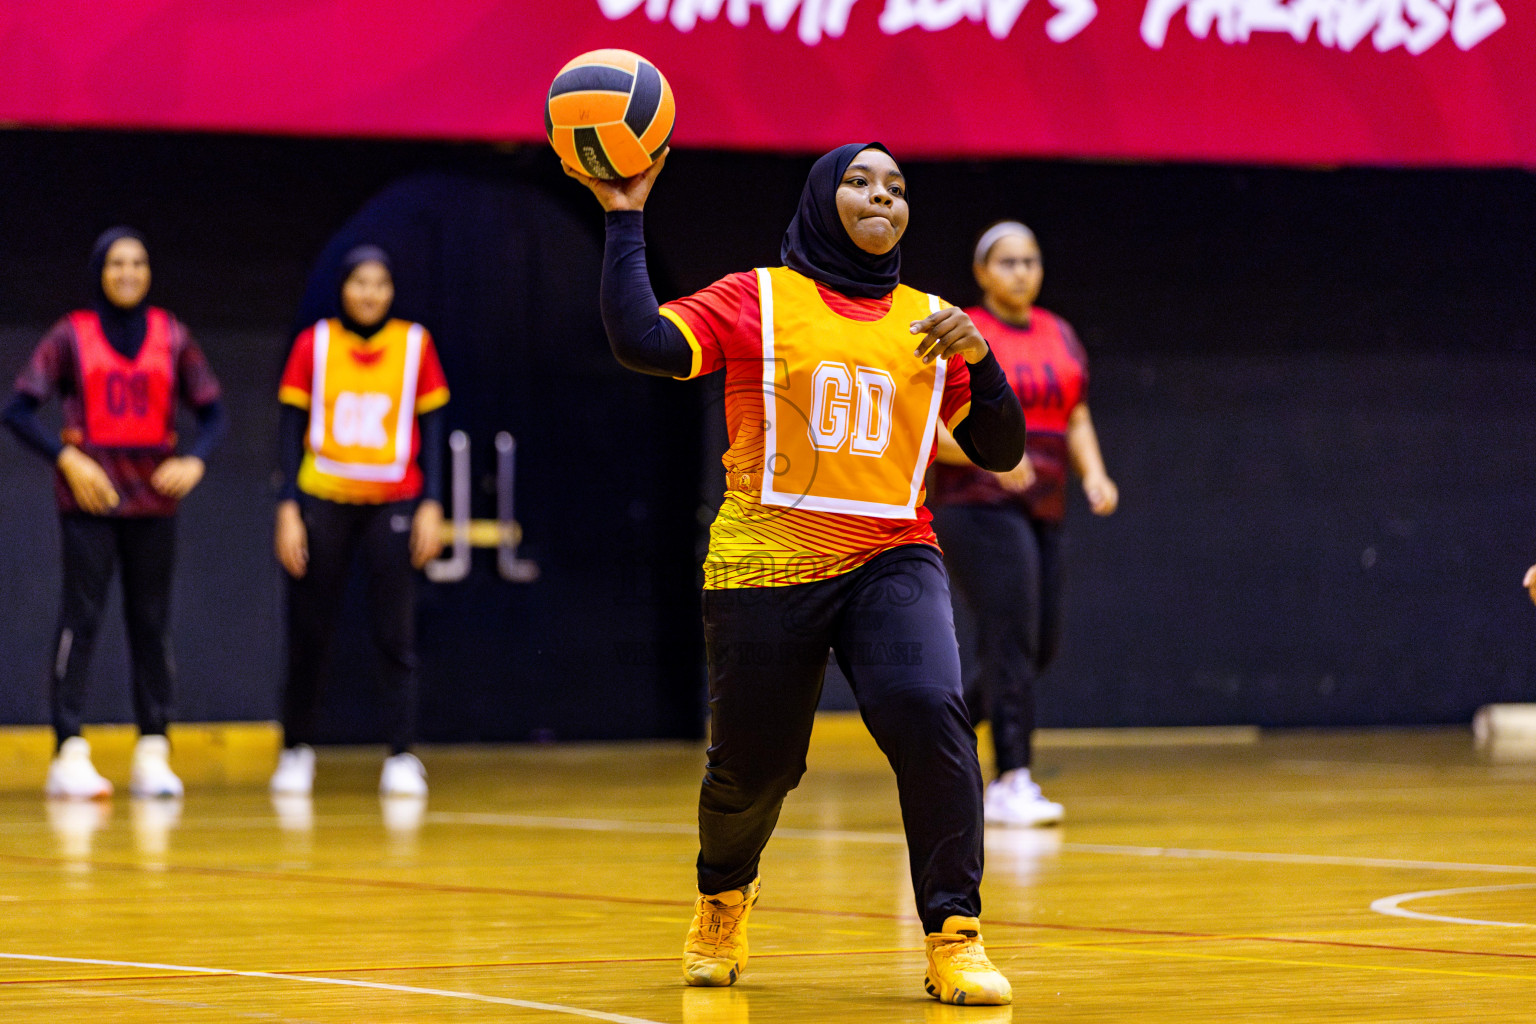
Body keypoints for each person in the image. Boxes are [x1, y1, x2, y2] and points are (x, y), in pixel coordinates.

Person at [566, 143, 1025, 1005]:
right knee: (755, 769)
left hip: (892, 553)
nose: (880, 195)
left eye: (895, 186)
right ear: (821, 199)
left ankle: (954, 934)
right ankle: (722, 899)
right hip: (767, 559)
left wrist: (986, 363)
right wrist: (625, 214)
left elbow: (1000, 450)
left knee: (933, 715)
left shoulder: (932, 319)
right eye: (859, 181)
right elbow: (643, 341)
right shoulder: (759, 298)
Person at [2, 227, 225, 800]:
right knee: (82, 615)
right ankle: (68, 749)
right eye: (117, 263)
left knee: (151, 623)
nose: (128, 272)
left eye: (139, 262)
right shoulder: (71, 335)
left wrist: (195, 461)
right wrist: (68, 458)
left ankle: (154, 748)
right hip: (91, 500)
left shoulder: (172, 335)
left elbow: (215, 412)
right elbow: (18, 409)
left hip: (154, 500)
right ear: (101, 270)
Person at [929, 220, 1118, 827]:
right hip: (976, 505)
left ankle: (934, 734)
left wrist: (1095, 474)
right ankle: (1011, 778)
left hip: (1044, 504)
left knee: (1037, 646)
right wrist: (989, 454)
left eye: (1030, 261)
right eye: (1007, 262)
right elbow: (924, 426)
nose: (1022, 273)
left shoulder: (1058, 333)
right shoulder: (962, 330)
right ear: (982, 272)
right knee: (1009, 636)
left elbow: (1076, 412)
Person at [270, 245, 448, 798]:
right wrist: (288, 510)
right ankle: (296, 749)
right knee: (309, 629)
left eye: (380, 283)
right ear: (342, 288)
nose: (369, 293)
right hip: (323, 498)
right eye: (359, 282)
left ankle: (399, 754)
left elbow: (435, 427)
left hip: (394, 500)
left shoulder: (415, 344)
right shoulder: (314, 343)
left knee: (396, 632)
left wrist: (432, 504)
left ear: (392, 291)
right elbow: (287, 428)